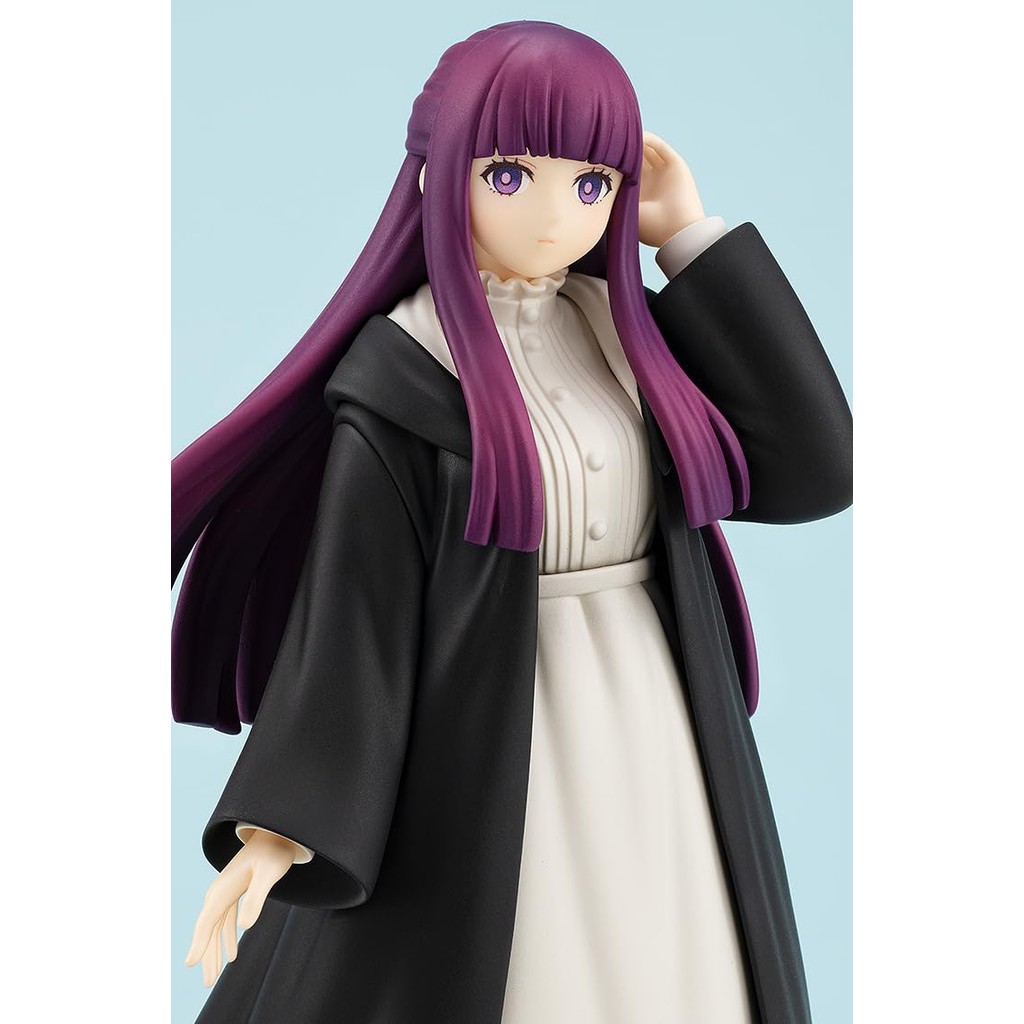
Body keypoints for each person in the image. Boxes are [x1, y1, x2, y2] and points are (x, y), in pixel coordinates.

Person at [172, 21, 852, 1024]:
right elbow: (355, 619)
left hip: (659, 717)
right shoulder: (406, 375)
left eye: (591, 183)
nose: (553, 214)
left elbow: (815, 466)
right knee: (525, 955)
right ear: (436, 177)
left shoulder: (625, 341)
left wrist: (689, 239)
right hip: (491, 733)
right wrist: (278, 828)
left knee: (676, 946)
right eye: (509, 175)